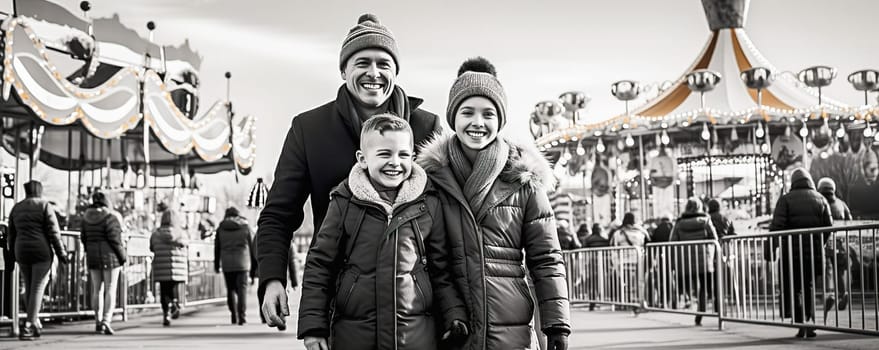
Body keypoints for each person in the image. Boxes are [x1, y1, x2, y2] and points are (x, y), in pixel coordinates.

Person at [257, 13, 442, 330]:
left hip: (412, 307)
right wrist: (272, 278)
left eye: (384, 64)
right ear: (343, 70)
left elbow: (448, 219)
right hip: (340, 307)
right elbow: (278, 214)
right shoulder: (309, 129)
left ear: (395, 71)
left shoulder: (427, 127)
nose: (374, 72)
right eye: (362, 63)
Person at [418, 57, 570, 350]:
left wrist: (556, 324)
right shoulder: (431, 178)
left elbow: (546, 257)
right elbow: (430, 261)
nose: (478, 122)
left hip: (510, 326)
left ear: (500, 120)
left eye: (488, 113)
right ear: (453, 118)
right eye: (467, 112)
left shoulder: (524, 178)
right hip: (452, 325)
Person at [298, 115, 467, 350]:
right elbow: (320, 265)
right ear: (363, 159)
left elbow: (440, 270)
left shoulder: (428, 203)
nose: (395, 162)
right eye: (384, 154)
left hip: (415, 336)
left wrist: (454, 314)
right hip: (354, 336)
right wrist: (313, 326)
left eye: (403, 155)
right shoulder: (344, 202)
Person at [764, 168, 832, 338]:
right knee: (808, 286)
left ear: (793, 182)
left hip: (791, 253)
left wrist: (770, 250)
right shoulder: (820, 199)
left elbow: (776, 226)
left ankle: (801, 321)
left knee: (794, 288)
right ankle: (809, 322)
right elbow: (828, 226)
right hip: (813, 252)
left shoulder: (786, 200)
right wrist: (818, 243)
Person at [8, 181, 68, 340]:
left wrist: (11, 255)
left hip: (21, 251)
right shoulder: (44, 206)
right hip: (41, 252)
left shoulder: (17, 208)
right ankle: (28, 325)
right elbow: (54, 233)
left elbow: (11, 235)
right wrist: (62, 254)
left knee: (29, 286)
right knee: (37, 288)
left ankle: (34, 323)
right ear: (39, 191)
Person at [81, 191, 126, 335]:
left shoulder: (86, 218)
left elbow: (83, 238)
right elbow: (116, 240)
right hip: (110, 257)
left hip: (93, 257)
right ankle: (106, 320)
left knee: (97, 290)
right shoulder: (110, 217)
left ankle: (97, 320)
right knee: (110, 288)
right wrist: (123, 257)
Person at [669, 198, 719, 326]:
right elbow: (714, 238)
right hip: (703, 260)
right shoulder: (705, 220)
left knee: (689, 285)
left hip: (685, 262)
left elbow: (672, 241)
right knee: (704, 287)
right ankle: (700, 313)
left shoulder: (679, 223)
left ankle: (688, 301)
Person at [214, 207, 257, 325]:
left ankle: (234, 315)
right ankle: (242, 317)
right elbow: (253, 248)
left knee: (230, 290)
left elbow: (217, 248)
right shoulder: (245, 227)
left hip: (227, 264)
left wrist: (217, 264)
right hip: (243, 264)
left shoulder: (221, 228)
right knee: (242, 290)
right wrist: (254, 268)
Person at [817, 177, 853, 312]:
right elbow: (850, 220)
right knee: (839, 270)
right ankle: (842, 293)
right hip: (839, 242)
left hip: (824, 242)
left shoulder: (820, 201)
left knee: (826, 270)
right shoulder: (841, 203)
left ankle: (829, 294)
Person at [150, 208, 188, 327]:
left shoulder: (156, 234)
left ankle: (166, 313)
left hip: (162, 266)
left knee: (164, 290)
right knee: (174, 287)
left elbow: (151, 247)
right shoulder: (181, 233)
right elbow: (186, 244)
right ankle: (175, 304)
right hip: (177, 268)